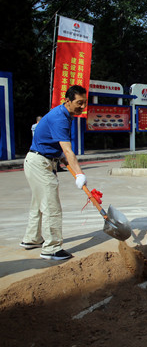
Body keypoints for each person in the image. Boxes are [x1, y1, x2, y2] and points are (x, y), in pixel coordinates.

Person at [21, 85, 88, 260]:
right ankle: (51, 248)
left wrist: (61, 158)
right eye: (79, 103)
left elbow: (52, 143)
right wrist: (79, 174)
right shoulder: (60, 118)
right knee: (51, 206)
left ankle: (32, 239)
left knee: (38, 203)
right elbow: (67, 149)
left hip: (39, 160)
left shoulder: (64, 114)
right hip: (39, 164)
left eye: (84, 102)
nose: (82, 106)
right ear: (68, 101)